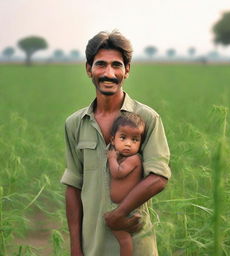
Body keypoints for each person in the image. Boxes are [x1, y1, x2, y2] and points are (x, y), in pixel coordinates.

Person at [61, 30, 171, 256]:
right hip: (92, 244)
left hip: (135, 241)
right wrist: (75, 247)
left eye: (117, 65)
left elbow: (158, 177)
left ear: (127, 70)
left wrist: (120, 213)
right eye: (101, 64)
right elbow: (73, 186)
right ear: (88, 69)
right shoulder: (74, 123)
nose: (108, 73)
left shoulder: (147, 118)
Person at [107, 112, 146, 256]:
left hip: (127, 208)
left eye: (135, 140)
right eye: (123, 138)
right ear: (112, 139)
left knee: (124, 239)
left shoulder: (134, 159)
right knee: (120, 236)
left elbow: (117, 173)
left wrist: (111, 158)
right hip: (119, 206)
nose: (128, 143)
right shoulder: (124, 158)